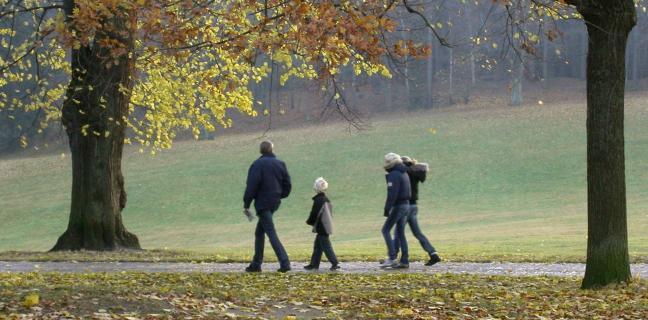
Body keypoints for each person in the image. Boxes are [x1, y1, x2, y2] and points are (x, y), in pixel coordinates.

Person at [243, 140, 292, 273]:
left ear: (261, 150)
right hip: (274, 202)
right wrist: (279, 195)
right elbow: (287, 185)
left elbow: (251, 186)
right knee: (259, 232)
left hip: (262, 203)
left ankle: (285, 262)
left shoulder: (257, 165)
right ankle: (256, 263)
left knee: (270, 232)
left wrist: (246, 204)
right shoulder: (280, 164)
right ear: (272, 149)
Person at [394, 156, 442, 266]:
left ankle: (394, 258)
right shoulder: (415, 174)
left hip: (404, 206)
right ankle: (433, 254)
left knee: (398, 233)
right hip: (414, 206)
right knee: (417, 233)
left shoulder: (403, 174)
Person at [379, 153, 411, 269]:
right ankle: (405, 260)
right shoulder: (404, 172)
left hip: (398, 206)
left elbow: (392, 194)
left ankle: (392, 258)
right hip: (406, 205)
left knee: (385, 230)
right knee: (401, 233)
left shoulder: (394, 174)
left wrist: (387, 209)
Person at [304, 177, 340, 271]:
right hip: (326, 226)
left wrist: (309, 221)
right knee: (318, 246)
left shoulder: (318, 200)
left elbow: (314, 213)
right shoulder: (326, 199)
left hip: (321, 227)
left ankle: (334, 262)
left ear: (316, 188)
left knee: (326, 246)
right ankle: (314, 264)